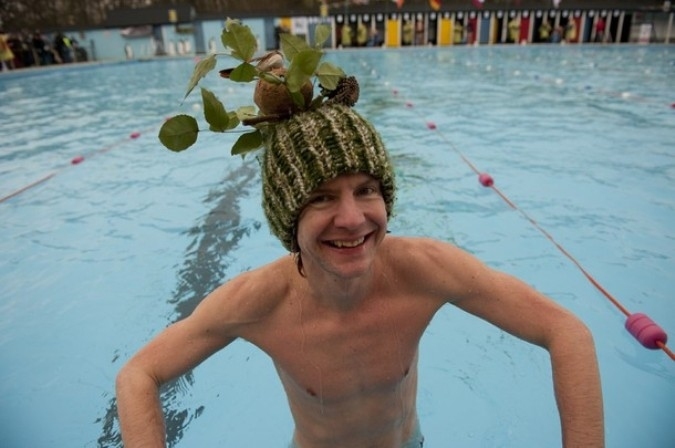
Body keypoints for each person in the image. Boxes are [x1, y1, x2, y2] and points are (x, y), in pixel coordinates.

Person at [116, 72, 605, 446]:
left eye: (365, 190)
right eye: (322, 198)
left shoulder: (425, 270)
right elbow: (139, 374)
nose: (352, 219)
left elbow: (566, 332)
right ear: (289, 218)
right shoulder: (256, 303)